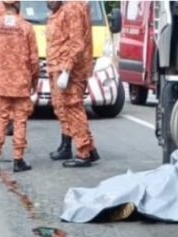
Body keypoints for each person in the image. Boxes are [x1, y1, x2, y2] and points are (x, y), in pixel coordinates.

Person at [0, 0, 38, 174]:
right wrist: (33, 82)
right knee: (20, 121)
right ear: (18, 5)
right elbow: (34, 60)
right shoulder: (26, 27)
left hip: (2, 83)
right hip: (21, 83)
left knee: (0, 120)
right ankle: (18, 160)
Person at [58, 0, 99, 168]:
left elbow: (76, 43)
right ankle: (90, 149)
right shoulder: (81, 5)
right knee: (77, 109)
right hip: (80, 66)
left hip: (74, 69)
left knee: (74, 110)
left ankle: (83, 153)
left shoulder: (72, 7)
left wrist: (66, 70)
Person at [44, 0, 71, 161]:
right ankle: (63, 142)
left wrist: (66, 70)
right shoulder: (52, 16)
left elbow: (70, 43)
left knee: (64, 107)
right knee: (58, 107)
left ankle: (67, 145)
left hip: (61, 67)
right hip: (53, 66)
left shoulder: (65, 15)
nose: (49, 1)